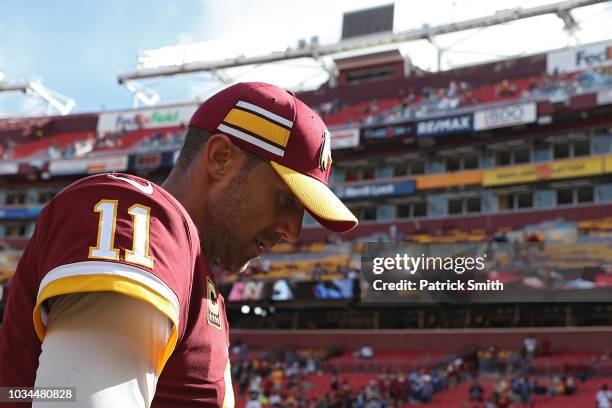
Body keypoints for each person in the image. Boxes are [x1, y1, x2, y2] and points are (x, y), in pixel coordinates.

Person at [0, 82, 358, 407]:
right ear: (220, 158)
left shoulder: (200, 281)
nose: (293, 232)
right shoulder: (139, 217)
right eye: (285, 201)